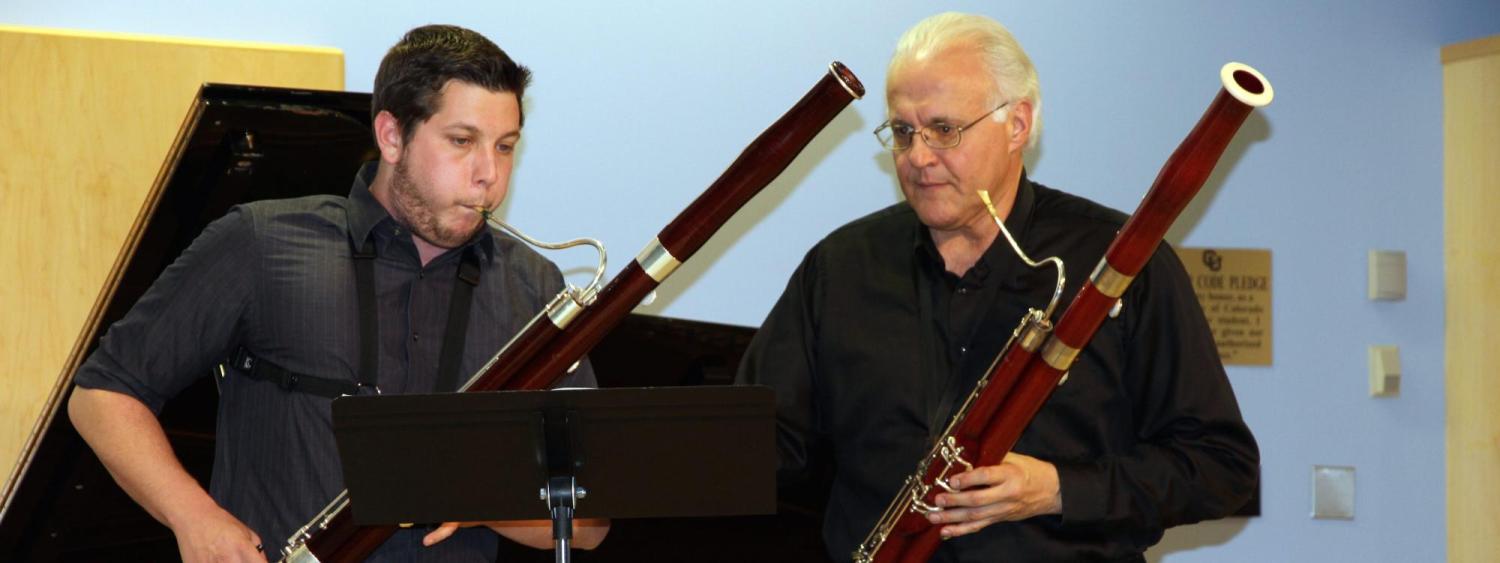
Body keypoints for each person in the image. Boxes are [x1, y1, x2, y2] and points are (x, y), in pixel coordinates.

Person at [68, 24, 608, 562]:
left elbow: (590, 520)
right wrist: (195, 517)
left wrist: (481, 496)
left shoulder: (533, 286)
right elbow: (103, 394)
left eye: (505, 146)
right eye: (462, 141)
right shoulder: (260, 243)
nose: (489, 175)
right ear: (392, 136)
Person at [737, 12, 1258, 562]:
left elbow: (1221, 468)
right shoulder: (839, 267)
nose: (917, 157)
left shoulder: (1120, 260)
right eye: (903, 132)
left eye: (944, 129)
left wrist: (1057, 490)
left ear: (1018, 125)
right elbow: (770, 450)